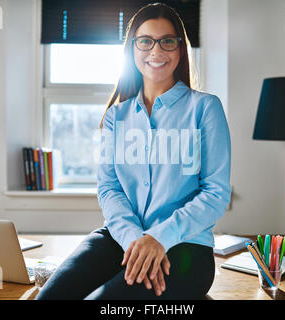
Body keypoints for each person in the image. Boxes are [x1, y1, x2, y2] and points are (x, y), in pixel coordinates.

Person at [35, 2, 231, 300]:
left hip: (186, 249)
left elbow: (216, 193)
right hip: (119, 239)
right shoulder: (117, 116)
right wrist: (136, 241)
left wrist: (158, 238)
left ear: (180, 48)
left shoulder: (205, 108)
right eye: (145, 41)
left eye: (167, 41)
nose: (156, 51)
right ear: (132, 49)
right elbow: (109, 188)